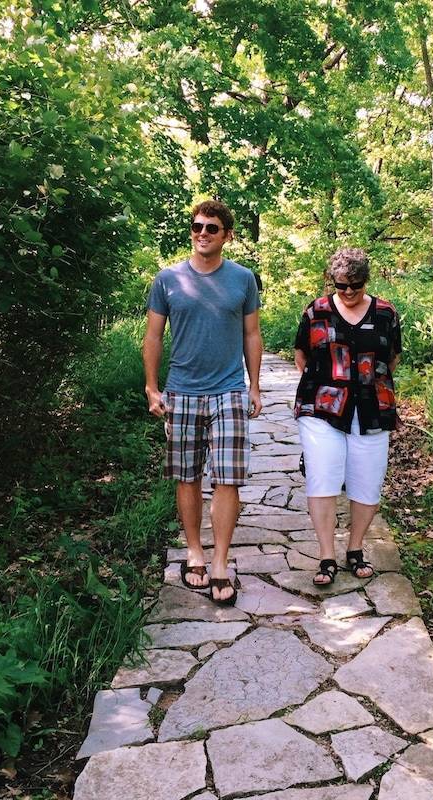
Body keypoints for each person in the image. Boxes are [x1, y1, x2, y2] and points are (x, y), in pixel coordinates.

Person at [143, 199, 263, 605]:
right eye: (197, 226)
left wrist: (255, 386)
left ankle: (220, 563)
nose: (203, 233)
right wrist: (151, 387)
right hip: (182, 391)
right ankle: (194, 550)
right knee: (187, 476)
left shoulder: (243, 279)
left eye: (212, 228)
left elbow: (252, 334)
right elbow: (154, 337)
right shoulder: (168, 279)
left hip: (229, 389)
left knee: (228, 478)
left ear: (227, 235)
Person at [294, 248, 401, 585]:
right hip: (322, 409)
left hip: (373, 408)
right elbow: (302, 353)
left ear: (366, 280)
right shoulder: (317, 311)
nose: (349, 292)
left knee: (367, 482)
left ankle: (355, 550)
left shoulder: (385, 312)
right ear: (333, 282)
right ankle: (326, 556)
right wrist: (323, 386)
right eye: (341, 286)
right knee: (322, 478)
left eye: (355, 285)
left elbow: (393, 357)